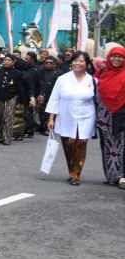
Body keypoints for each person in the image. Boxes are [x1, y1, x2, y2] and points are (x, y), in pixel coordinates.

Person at [46, 50, 96, 186]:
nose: (77, 63)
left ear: (87, 64)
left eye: (81, 61)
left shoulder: (92, 80)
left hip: (86, 117)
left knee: (81, 144)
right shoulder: (62, 79)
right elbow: (55, 99)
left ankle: (75, 174)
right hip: (66, 116)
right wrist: (51, 118)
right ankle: (71, 170)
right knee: (69, 144)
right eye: (75, 60)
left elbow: (98, 101)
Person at [95, 45, 125, 187]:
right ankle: (110, 176)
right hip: (104, 117)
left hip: (121, 115)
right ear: (108, 57)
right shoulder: (102, 73)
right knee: (106, 147)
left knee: (121, 146)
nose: (116, 59)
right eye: (114, 56)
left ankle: (122, 176)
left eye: (120, 57)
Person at [0, 53, 27, 145]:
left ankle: (7, 137)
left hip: (12, 97)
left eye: (8, 60)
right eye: (5, 60)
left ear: (14, 62)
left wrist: (21, 101)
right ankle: (1, 135)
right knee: (1, 117)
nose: (6, 61)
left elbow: (20, 88)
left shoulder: (18, 73)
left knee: (8, 116)